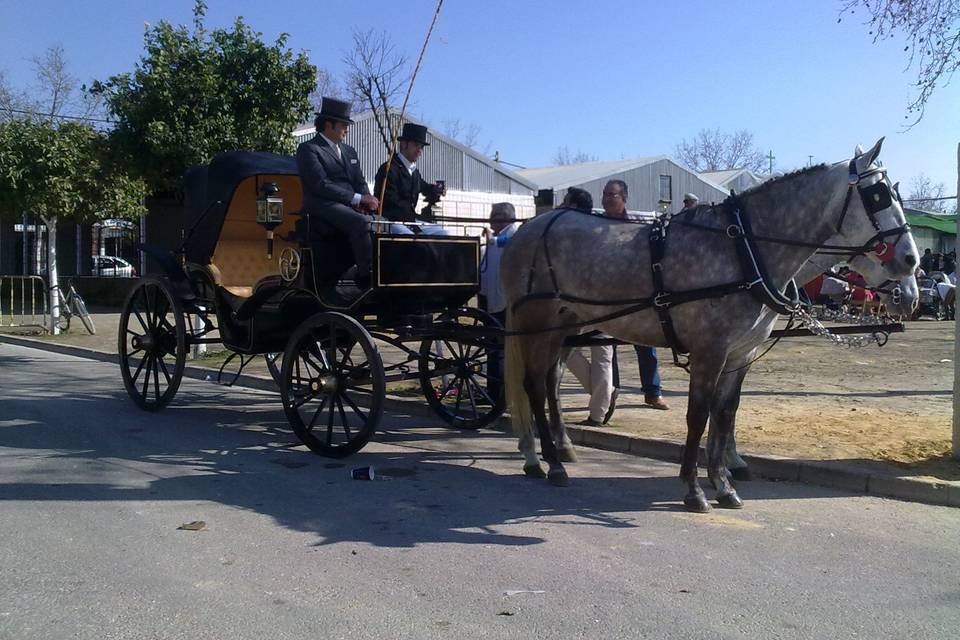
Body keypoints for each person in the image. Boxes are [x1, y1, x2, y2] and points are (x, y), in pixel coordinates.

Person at [296, 97, 383, 287]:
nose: (347, 129)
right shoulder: (309, 149)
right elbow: (321, 184)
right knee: (361, 222)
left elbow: (359, 181)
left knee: (385, 223)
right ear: (329, 125)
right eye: (344, 125)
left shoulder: (349, 151)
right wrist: (357, 199)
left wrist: (368, 201)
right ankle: (366, 275)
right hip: (322, 204)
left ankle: (390, 272)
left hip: (349, 205)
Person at [602, 179, 669, 413]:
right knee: (608, 349)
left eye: (612, 195)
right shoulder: (597, 225)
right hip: (606, 295)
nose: (607, 199)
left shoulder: (639, 224)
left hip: (637, 295)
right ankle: (610, 393)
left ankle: (653, 392)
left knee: (645, 346)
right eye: (605, 194)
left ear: (624, 198)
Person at [373, 122, 452, 236]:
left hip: (411, 220)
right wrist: (413, 224)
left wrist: (435, 189)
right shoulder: (389, 169)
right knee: (411, 239)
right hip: (391, 221)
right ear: (404, 144)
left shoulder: (414, 172)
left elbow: (424, 187)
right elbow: (391, 202)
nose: (419, 151)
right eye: (416, 145)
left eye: (421, 147)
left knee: (443, 234)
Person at [479, 203, 521, 400]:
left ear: (503, 217)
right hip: (491, 299)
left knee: (499, 350)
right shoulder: (499, 237)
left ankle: (500, 393)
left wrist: (493, 239)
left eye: (493, 216)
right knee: (493, 350)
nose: (489, 219)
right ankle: (494, 391)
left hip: (503, 303)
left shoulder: (511, 234)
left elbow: (507, 242)